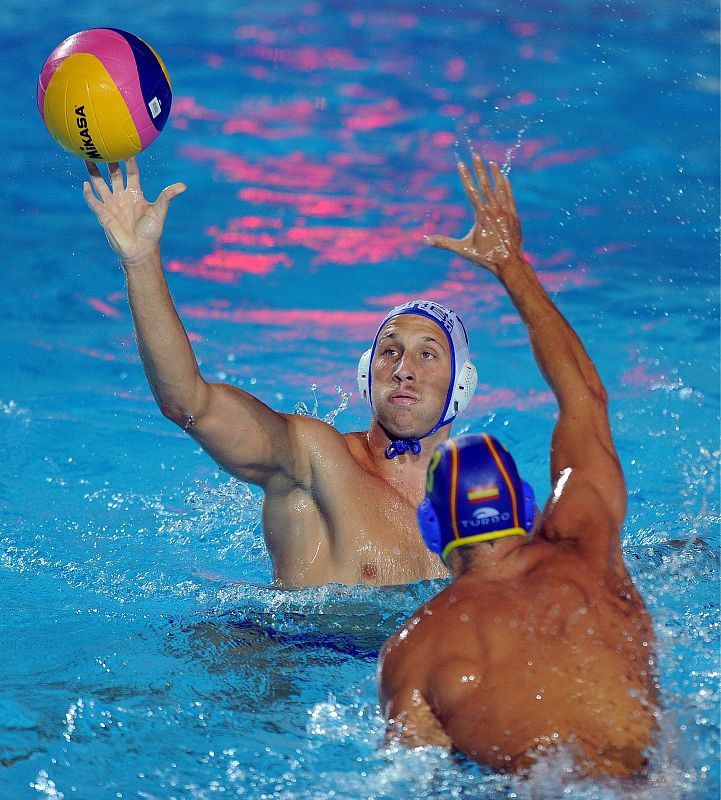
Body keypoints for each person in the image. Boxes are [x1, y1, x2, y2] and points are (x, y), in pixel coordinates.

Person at [377, 156, 658, 777]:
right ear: (530, 510)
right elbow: (585, 397)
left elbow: (410, 783)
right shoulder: (589, 550)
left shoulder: (418, 650)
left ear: (432, 531)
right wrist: (511, 266)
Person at [82, 157, 479, 587]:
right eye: (390, 351)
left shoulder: (476, 512)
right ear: (367, 375)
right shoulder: (317, 458)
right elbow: (189, 403)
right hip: (288, 647)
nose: (403, 370)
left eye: (427, 355)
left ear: (462, 384)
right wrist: (141, 262)